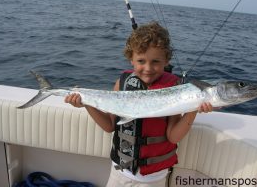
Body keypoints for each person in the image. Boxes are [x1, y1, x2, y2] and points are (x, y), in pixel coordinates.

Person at [65, 21, 213, 187]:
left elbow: (174, 136)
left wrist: (193, 108)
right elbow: (109, 125)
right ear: (131, 60)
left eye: (156, 61)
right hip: (119, 171)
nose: (148, 68)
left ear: (166, 61)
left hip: (152, 178)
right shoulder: (122, 83)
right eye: (141, 61)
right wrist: (86, 103)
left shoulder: (174, 91)